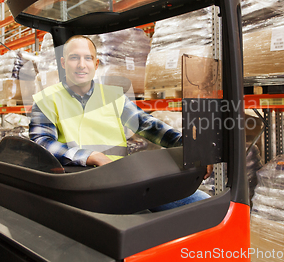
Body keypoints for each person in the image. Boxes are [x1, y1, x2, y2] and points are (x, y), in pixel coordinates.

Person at [29, 35, 212, 211]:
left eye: (88, 58)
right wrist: (89, 156)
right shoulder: (46, 99)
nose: (81, 64)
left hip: (121, 181)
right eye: (74, 58)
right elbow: (42, 142)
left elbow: (147, 125)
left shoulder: (113, 97)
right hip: (78, 186)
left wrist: (189, 146)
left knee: (204, 204)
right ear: (63, 63)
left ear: (96, 64)